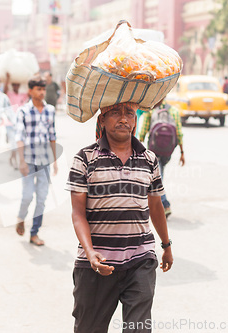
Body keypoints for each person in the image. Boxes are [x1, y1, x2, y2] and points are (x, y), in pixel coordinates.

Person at [66, 102, 173, 333]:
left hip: (140, 260)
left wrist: (166, 245)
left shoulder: (149, 159)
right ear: (102, 120)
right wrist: (91, 252)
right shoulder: (85, 158)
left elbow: (155, 206)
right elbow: (78, 214)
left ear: (136, 121)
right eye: (115, 113)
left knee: (138, 329)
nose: (123, 119)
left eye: (129, 114)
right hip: (95, 264)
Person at [15, 76, 58, 246]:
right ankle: (20, 217)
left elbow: (53, 136)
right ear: (30, 91)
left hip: (44, 162)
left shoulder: (50, 110)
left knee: (42, 199)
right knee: (27, 196)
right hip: (28, 160)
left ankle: (34, 233)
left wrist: (55, 161)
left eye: (43, 89)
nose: (42, 92)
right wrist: (21, 161)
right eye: (38, 89)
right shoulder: (23, 111)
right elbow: (19, 137)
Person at [138, 99, 185, 218]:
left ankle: (165, 204)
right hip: (168, 151)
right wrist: (182, 152)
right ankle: (161, 204)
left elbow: (143, 130)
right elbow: (179, 133)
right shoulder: (174, 110)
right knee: (159, 173)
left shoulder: (151, 110)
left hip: (154, 149)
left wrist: (139, 144)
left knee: (157, 177)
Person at [4, 73, 29, 169]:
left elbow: (29, 93)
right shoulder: (9, 95)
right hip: (10, 123)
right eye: (14, 85)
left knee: (19, 142)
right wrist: (7, 79)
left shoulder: (22, 95)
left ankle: (13, 158)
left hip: (20, 123)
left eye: (17, 85)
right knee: (13, 143)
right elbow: (4, 91)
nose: (15, 86)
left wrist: (27, 78)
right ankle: (14, 161)